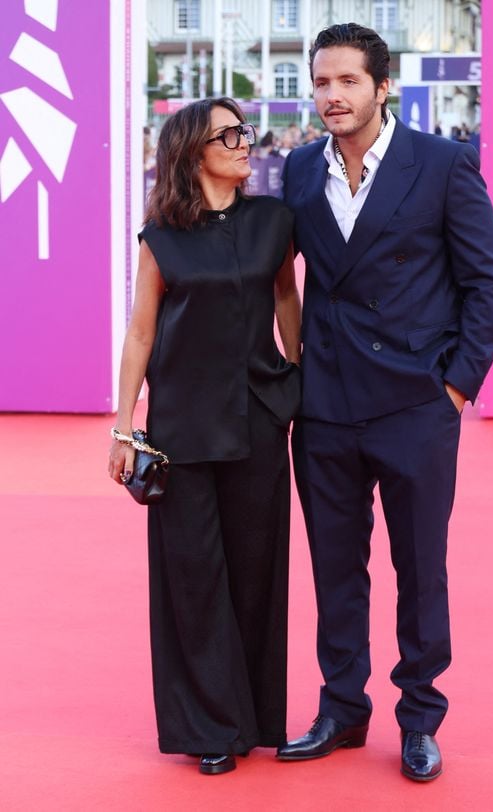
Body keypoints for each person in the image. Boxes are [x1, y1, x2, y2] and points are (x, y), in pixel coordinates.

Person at [276, 23, 493, 781]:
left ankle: (419, 718)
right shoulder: (301, 171)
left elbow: (485, 283)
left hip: (415, 405)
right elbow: (280, 277)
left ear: (382, 88)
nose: (331, 96)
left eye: (346, 82)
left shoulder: (442, 164)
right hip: (327, 407)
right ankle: (342, 708)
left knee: (420, 567)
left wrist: (456, 385)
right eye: (320, 83)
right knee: (335, 569)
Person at [108, 97, 301, 776]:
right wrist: (125, 425)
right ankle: (211, 727)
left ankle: (256, 717)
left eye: (244, 131)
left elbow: (286, 298)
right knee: (193, 577)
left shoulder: (275, 221)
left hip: (257, 417)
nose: (246, 143)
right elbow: (140, 333)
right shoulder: (159, 237)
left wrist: (296, 379)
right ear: (195, 152)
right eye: (230, 135)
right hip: (181, 429)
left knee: (256, 572)